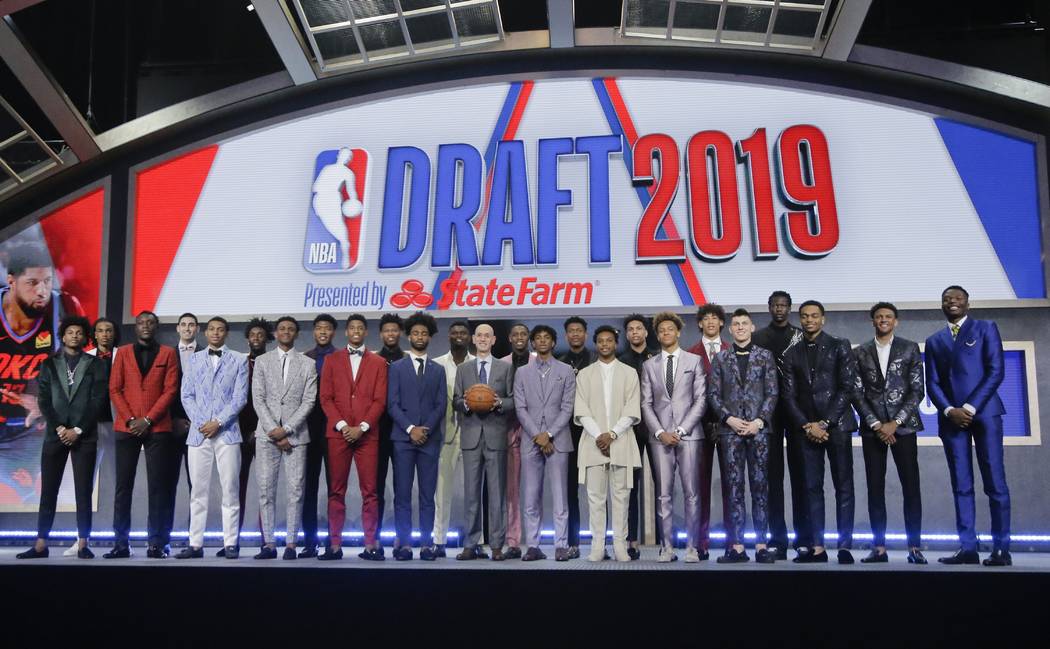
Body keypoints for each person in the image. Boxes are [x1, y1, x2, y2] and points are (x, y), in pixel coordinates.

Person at [925, 286, 1011, 566]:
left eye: (957, 298)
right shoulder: (935, 340)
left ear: (967, 303)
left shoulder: (986, 328)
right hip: (952, 420)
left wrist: (970, 407)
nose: (952, 302)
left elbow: (996, 370)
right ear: (941, 305)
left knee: (995, 483)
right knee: (961, 485)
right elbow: (933, 383)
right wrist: (950, 410)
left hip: (984, 414)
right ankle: (968, 548)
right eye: (947, 299)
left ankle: (1001, 549)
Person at [16, 316, 108, 559]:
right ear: (63, 336)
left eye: (79, 332)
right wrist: (58, 427)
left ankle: (83, 544)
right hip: (54, 434)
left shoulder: (96, 364)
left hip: (84, 435)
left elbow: (97, 401)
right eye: (70, 332)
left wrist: (77, 429)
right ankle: (40, 544)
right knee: (48, 491)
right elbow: (44, 400)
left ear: (84, 336)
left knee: (83, 491)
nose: (75, 336)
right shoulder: (48, 364)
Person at [0, 244, 84, 506]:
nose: (42, 291)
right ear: (11, 281)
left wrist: (49, 404)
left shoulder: (65, 307)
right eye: (32, 282)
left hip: (32, 431)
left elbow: (85, 372)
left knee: (38, 498)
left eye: (47, 281)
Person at [780, 300, 858, 564]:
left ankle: (845, 546)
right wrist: (807, 425)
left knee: (843, 486)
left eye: (814, 316)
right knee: (812, 488)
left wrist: (825, 423)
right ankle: (817, 548)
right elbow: (789, 396)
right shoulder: (791, 354)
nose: (809, 320)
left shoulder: (840, 345)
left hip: (837, 426)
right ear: (800, 319)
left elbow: (847, 388)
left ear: (822, 319)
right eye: (804, 316)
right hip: (806, 429)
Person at [853, 302, 926, 564]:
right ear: (872, 321)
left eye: (888, 317)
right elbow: (856, 393)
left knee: (911, 487)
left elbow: (917, 390)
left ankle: (914, 548)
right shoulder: (860, 352)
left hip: (903, 429)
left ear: (896, 321)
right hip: (873, 431)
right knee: (875, 488)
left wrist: (895, 422)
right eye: (879, 317)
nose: (883, 320)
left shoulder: (909, 348)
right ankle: (879, 548)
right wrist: (876, 424)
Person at [106, 310, 180, 559]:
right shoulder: (123, 353)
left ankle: (156, 543)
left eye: (150, 322)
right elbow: (114, 389)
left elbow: (171, 390)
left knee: (158, 487)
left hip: (157, 427)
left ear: (156, 327)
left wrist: (147, 420)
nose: (145, 326)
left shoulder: (169, 353)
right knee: (122, 487)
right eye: (141, 323)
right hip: (126, 427)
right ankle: (120, 543)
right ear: (135, 327)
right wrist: (130, 420)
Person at [707, 309, 779, 564]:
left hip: (758, 432)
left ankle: (761, 545)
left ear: (752, 327)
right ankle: (736, 547)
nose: (739, 327)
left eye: (744, 323)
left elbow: (772, 394)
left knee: (761, 488)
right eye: (736, 324)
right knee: (733, 489)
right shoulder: (721, 358)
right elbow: (713, 395)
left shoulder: (765, 356)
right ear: (730, 329)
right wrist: (729, 418)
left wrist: (759, 421)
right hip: (730, 432)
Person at [176, 317, 249, 559]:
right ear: (205, 333)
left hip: (227, 433)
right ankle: (195, 544)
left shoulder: (239, 359)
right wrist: (201, 424)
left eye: (220, 329)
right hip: (198, 435)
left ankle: (230, 543)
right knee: (198, 491)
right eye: (212, 329)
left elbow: (240, 398)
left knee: (230, 489)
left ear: (226, 333)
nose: (216, 333)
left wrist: (217, 422)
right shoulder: (194, 360)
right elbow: (186, 395)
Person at [318, 314, 387, 561]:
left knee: (370, 491)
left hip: (368, 435)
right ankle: (334, 545)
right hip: (338, 434)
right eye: (352, 328)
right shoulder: (331, 360)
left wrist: (363, 427)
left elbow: (380, 399)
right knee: (336, 491)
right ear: (346, 333)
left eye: (360, 328)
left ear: (365, 332)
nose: (356, 331)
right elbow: (325, 397)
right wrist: (344, 425)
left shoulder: (378, 362)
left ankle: (371, 545)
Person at [641, 311, 706, 563]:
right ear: (657, 335)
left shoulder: (694, 361)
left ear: (678, 332)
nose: (666, 333)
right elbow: (646, 404)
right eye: (662, 330)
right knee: (663, 494)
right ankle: (666, 547)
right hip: (659, 438)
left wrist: (680, 430)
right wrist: (660, 432)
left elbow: (701, 399)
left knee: (692, 493)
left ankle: (691, 547)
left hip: (688, 436)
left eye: (670, 329)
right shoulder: (649, 365)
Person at [251, 316, 318, 560]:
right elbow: (258, 398)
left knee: (296, 491)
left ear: (296, 334)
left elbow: (309, 401)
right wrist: (274, 430)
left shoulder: (307, 364)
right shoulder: (262, 361)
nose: (286, 332)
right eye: (282, 329)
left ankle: (291, 543)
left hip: (296, 435)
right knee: (266, 490)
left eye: (291, 329)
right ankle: (269, 543)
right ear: (276, 333)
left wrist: (287, 428)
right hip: (266, 435)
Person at [575, 325, 640, 563]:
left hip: (621, 441)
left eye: (609, 341)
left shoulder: (629, 372)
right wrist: (599, 436)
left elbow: (632, 409)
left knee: (622, 497)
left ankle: (620, 546)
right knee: (595, 497)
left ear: (615, 343)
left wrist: (612, 434)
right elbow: (581, 411)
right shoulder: (584, 374)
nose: (605, 344)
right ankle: (597, 546)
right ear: (596, 344)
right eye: (600, 341)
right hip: (593, 443)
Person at [386, 312, 446, 561]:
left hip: (429, 440)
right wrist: (411, 429)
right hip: (403, 439)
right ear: (408, 336)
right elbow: (392, 404)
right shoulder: (397, 367)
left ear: (430, 337)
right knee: (402, 494)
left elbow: (441, 404)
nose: (420, 337)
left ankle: (426, 545)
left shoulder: (438, 370)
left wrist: (425, 430)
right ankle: (405, 545)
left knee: (427, 496)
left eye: (424, 333)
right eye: (416, 333)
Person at [751, 290, 806, 559]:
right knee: (772, 479)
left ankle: (803, 538)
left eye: (784, 305)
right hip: (769, 412)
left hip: (796, 411)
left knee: (800, 476)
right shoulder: (758, 337)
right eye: (775, 305)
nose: (780, 309)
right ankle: (778, 539)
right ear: (770, 307)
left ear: (789, 308)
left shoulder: (799, 335)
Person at [452, 323, 514, 561]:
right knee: (471, 494)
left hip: (496, 437)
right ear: (474, 340)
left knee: (497, 495)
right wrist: (467, 403)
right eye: (479, 335)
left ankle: (497, 545)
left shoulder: (504, 368)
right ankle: (471, 544)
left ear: (494, 339)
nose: (483, 339)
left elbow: (512, 401)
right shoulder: (464, 369)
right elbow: (456, 400)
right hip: (470, 437)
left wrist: (498, 403)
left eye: (487, 335)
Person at [513, 324, 575, 561]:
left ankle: (561, 545)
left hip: (557, 440)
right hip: (530, 440)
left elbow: (567, 407)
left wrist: (548, 434)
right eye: (537, 338)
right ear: (532, 343)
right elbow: (520, 408)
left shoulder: (566, 370)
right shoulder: (522, 372)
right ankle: (533, 546)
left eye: (546, 338)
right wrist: (538, 435)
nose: (541, 341)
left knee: (560, 496)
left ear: (553, 342)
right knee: (531, 497)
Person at [687, 303, 731, 560]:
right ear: (700, 324)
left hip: (728, 425)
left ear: (722, 323)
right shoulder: (690, 354)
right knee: (698, 486)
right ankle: (700, 543)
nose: (711, 322)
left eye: (715, 318)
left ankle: (731, 541)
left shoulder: (732, 350)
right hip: (699, 426)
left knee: (730, 486)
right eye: (706, 318)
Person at [226, 317, 272, 557]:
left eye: (260, 335)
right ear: (247, 338)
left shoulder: (273, 364)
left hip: (264, 433)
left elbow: (275, 401)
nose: (256, 338)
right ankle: (232, 541)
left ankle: (267, 541)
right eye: (252, 335)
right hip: (238, 433)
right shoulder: (238, 363)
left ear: (267, 338)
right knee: (235, 488)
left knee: (265, 489)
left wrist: (261, 429)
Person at [617, 313, 659, 557]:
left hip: (656, 428)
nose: (634, 332)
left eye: (638, 328)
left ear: (645, 332)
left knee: (663, 486)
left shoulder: (658, 357)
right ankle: (630, 541)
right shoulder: (620, 361)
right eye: (630, 329)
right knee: (629, 487)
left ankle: (666, 543)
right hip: (629, 431)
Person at [431, 320, 473, 557]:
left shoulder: (479, 365)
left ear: (469, 337)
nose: (459, 336)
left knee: (473, 492)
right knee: (442, 491)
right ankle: (439, 541)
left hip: (473, 435)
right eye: (455, 332)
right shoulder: (437, 364)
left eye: (463, 333)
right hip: (445, 436)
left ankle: (474, 541)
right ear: (449, 336)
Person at [300, 313, 338, 557]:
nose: (323, 332)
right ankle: (310, 541)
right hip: (308, 428)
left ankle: (332, 541)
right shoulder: (305, 359)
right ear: (314, 332)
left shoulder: (342, 358)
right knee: (308, 487)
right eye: (319, 328)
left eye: (327, 328)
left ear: (333, 332)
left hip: (334, 428)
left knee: (334, 488)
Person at [556, 316, 592, 559]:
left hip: (594, 433)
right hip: (567, 433)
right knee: (569, 491)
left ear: (585, 334)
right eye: (571, 331)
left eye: (579, 330)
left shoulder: (598, 359)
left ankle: (600, 542)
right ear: (566, 335)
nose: (575, 334)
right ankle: (573, 542)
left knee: (599, 490)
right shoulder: (559, 363)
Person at [499, 322, 533, 559]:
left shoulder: (538, 361)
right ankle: (512, 541)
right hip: (508, 431)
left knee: (534, 490)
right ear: (510, 338)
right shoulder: (501, 364)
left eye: (524, 334)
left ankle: (534, 541)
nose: (520, 337)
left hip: (535, 433)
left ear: (528, 338)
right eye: (516, 334)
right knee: (511, 491)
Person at [376, 312, 407, 554]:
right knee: (375, 489)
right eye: (387, 330)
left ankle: (401, 539)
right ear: (381, 334)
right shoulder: (373, 361)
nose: (390, 334)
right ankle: (374, 539)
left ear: (400, 334)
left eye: (395, 330)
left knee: (402, 490)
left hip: (402, 433)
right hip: (376, 433)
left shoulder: (408, 361)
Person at [170, 313, 199, 503]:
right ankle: (163, 532)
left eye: (191, 325)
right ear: (177, 328)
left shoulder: (208, 354)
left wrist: (195, 421)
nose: (187, 328)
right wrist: (173, 419)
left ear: (197, 329)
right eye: (183, 324)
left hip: (199, 427)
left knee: (196, 485)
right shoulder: (166, 353)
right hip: (171, 426)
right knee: (167, 483)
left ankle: (194, 532)